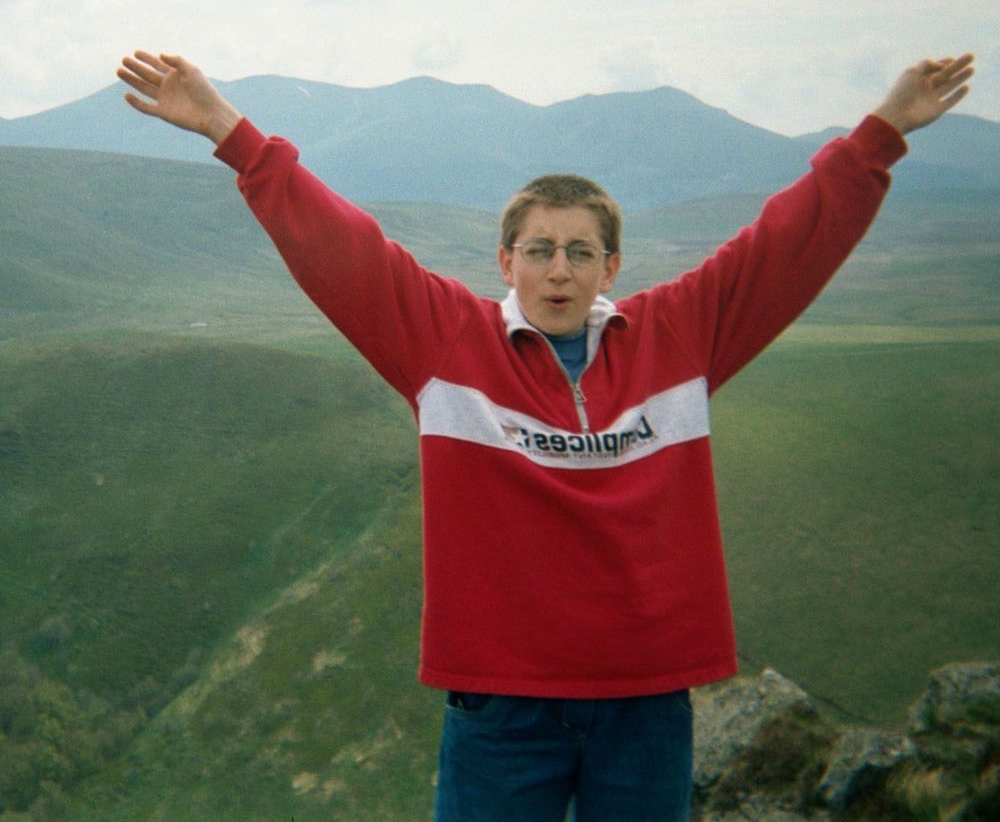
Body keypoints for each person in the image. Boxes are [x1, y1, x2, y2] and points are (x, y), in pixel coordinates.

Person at [116, 49, 974, 822]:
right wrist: (230, 132)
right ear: (504, 262)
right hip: (501, 708)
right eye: (536, 250)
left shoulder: (678, 338)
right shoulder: (446, 343)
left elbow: (784, 247)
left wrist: (883, 132)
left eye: (578, 250)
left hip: (645, 704)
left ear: (611, 267)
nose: (556, 269)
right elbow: (342, 249)